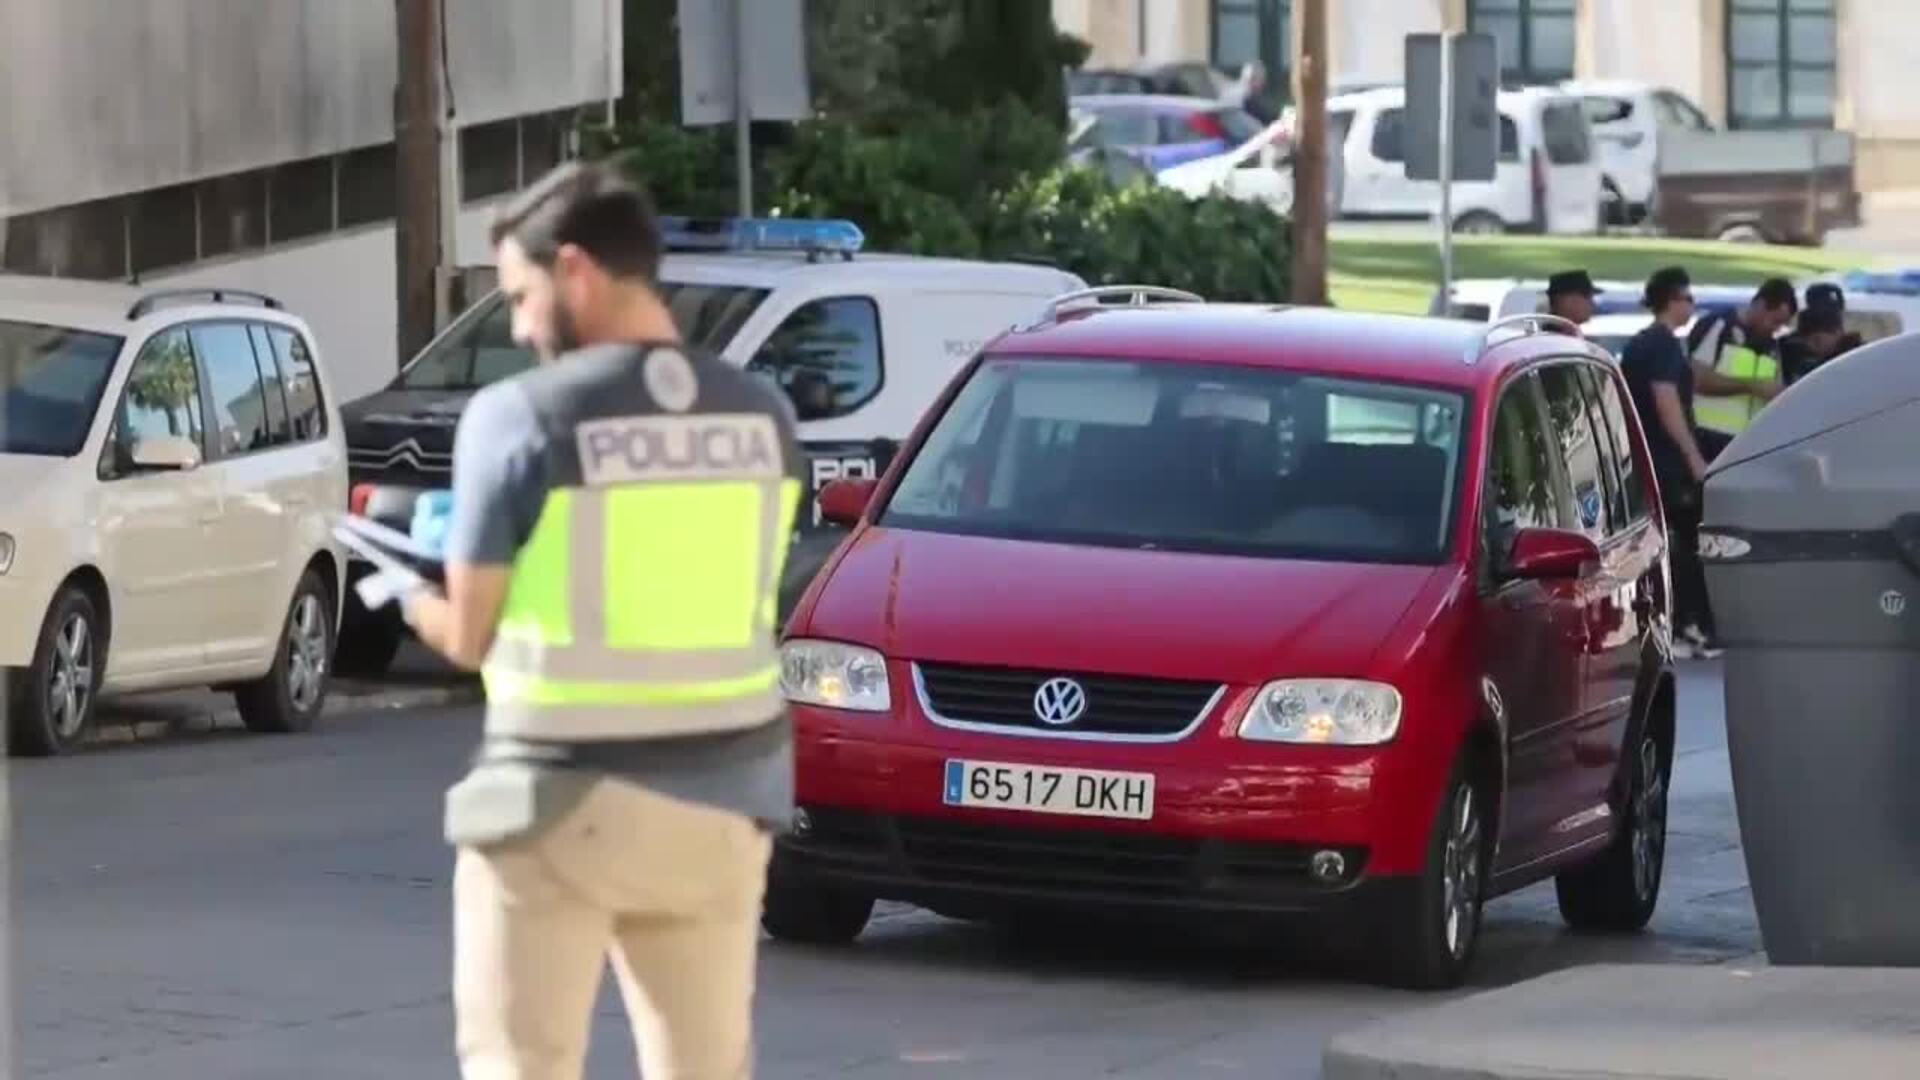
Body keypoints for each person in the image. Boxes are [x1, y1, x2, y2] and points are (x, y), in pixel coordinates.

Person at [400, 160, 805, 1079]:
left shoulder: (521, 417)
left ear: (574, 269)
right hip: (727, 803)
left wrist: (405, 593)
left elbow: (469, 635)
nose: (519, 324)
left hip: (561, 804)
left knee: (522, 1062)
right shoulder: (766, 418)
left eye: (520, 294)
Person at [1619, 266, 1718, 659]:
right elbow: (1667, 404)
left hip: (1650, 459)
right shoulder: (1660, 345)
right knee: (1684, 545)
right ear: (1672, 301)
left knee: (1667, 544)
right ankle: (1681, 626)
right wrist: (1694, 458)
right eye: (1687, 298)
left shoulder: (1646, 343)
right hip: (1666, 462)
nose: (1691, 305)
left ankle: (1675, 625)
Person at [1686, 278, 1797, 461]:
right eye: (1774, 321)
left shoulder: (1771, 347)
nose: (1775, 329)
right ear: (1760, 305)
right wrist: (1750, 386)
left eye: (1781, 325)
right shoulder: (1720, 326)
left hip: (1747, 445)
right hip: (1707, 438)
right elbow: (1697, 378)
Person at [1779, 304, 1849, 386]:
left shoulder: (1850, 359)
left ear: (1837, 332)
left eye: (1817, 340)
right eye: (1806, 342)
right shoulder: (1777, 348)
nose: (1810, 346)